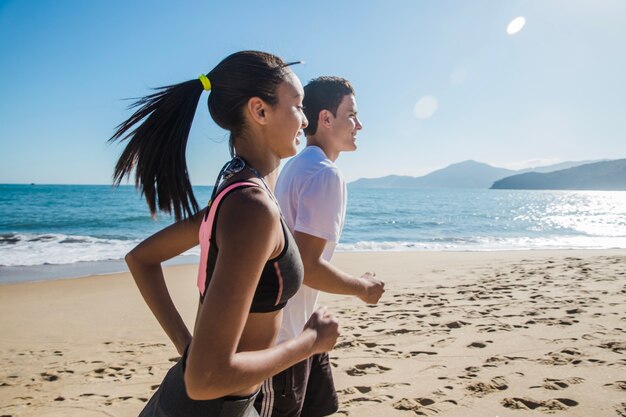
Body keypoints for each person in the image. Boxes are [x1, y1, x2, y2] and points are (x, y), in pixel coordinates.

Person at [109, 51, 340, 417]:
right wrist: (310, 342)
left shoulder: (236, 188)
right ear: (259, 111)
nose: (305, 119)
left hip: (211, 404)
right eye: (297, 106)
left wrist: (189, 348)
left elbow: (141, 258)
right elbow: (205, 379)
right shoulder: (252, 208)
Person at [254, 77, 385, 417]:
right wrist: (364, 289)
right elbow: (307, 267)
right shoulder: (326, 174)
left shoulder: (294, 166)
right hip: (284, 339)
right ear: (326, 119)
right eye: (351, 115)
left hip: (299, 325)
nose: (359, 125)